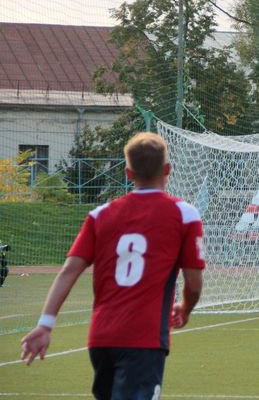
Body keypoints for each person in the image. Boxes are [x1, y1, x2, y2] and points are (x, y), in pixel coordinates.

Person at [20, 132, 205, 399]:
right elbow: (194, 282)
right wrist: (185, 309)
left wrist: (45, 324)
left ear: (128, 173)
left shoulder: (100, 215)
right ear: (168, 170)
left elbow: (69, 270)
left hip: (101, 339)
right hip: (145, 339)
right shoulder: (184, 214)